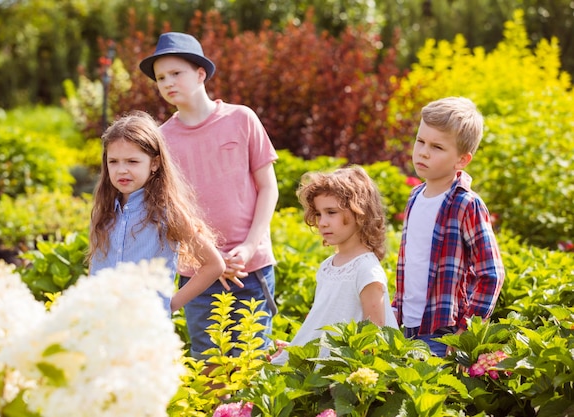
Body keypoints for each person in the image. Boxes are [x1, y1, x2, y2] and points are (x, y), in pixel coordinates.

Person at [139, 32, 279, 359]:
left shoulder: (242, 119)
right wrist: (210, 259)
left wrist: (248, 246)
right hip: (198, 275)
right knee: (210, 370)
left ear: (200, 73)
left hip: (250, 271)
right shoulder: (161, 139)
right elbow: (168, 209)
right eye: (161, 78)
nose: (168, 82)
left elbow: (269, 188)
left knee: (252, 365)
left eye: (176, 73)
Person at [392, 96, 505, 357]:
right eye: (420, 141)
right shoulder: (415, 197)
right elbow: (411, 266)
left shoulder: (466, 204)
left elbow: (491, 273)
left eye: (437, 147)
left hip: (443, 332)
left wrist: (465, 331)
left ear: (462, 160)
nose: (423, 152)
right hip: (406, 328)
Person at [88, 110, 226, 313]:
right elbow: (95, 269)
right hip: (102, 325)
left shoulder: (167, 213)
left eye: (132, 161)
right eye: (113, 161)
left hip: (146, 329)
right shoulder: (104, 212)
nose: (121, 170)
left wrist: (169, 306)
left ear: (154, 163)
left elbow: (214, 265)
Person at [271, 166, 398, 366]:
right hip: (324, 369)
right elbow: (324, 320)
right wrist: (298, 347)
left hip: (347, 373)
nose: (322, 222)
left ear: (360, 213)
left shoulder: (366, 270)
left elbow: (375, 336)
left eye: (331, 212)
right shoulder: (327, 267)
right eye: (319, 214)